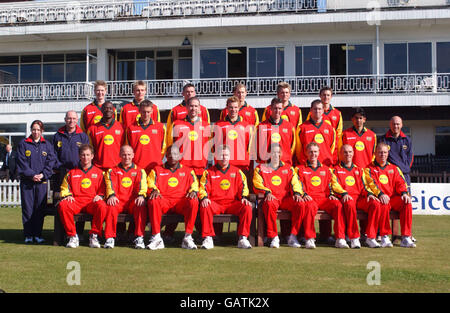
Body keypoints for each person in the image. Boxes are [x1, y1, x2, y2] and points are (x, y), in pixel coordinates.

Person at [198, 145, 253, 249]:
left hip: (232, 204)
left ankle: (243, 238)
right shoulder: (208, 172)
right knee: (205, 206)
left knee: (247, 207)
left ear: (229, 156)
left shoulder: (237, 172)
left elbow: (243, 187)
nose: (224, 157)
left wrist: (244, 197)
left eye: (226, 155)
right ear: (216, 156)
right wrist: (204, 198)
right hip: (216, 204)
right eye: (221, 155)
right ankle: (208, 238)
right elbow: (203, 188)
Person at [295, 142, 349, 249]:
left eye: (315, 152)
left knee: (338, 205)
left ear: (319, 153)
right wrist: (303, 194)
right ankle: (309, 238)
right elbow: (297, 184)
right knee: (309, 206)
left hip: (324, 199)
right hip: (309, 198)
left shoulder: (327, 169)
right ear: (306, 153)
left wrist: (333, 194)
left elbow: (333, 183)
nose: (313, 154)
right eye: (310, 152)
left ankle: (340, 238)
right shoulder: (299, 169)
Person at [253, 144, 306, 248]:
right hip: (272, 198)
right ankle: (273, 237)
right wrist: (267, 192)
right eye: (273, 152)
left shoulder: (289, 169)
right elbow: (257, 184)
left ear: (281, 154)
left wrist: (297, 193)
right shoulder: (260, 168)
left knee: (300, 204)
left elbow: (295, 183)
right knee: (269, 203)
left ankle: (293, 236)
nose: (275, 154)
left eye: (278, 152)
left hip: (286, 199)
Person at [146, 145, 199, 250]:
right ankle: (156, 237)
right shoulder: (157, 170)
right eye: (170, 154)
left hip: (180, 202)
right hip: (164, 201)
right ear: (166, 156)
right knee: (153, 200)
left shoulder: (188, 171)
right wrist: (154, 190)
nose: (172, 156)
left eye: (175, 154)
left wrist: (193, 191)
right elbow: (149, 182)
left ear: (179, 156)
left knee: (193, 200)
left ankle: (187, 237)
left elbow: (195, 184)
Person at [363, 143, 415, 248]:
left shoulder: (394, 168)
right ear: (375, 154)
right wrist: (380, 194)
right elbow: (371, 183)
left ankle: (406, 237)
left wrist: (404, 193)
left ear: (388, 154)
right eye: (380, 152)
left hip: (392, 198)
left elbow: (401, 182)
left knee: (406, 203)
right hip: (379, 198)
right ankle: (384, 236)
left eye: (385, 152)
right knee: (383, 203)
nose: (383, 155)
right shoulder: (369, 169)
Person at [332, 145, 383, 249]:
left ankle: (371, 237)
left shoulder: (359, 170)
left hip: (359, 199)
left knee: (376, 203)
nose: (348, 154)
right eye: (345, 152)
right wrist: (344, 194)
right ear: (341, 154)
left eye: (350, 152)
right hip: (345, 198)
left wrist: (369, 194)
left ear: (353, 153)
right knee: (349, 203)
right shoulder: (335, 170)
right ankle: (354, 237)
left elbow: (365, 186)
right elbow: (335, 185)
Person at [58, 144, 108, 248]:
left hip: (91, 201)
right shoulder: (72, 172)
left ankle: (94, 236)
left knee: (102, 206)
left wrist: (100, 195)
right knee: (63, 205)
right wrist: (67, 195)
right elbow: (64, 187)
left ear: (92, 156)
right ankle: (72, 236)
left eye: (88, 155)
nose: (85, 157)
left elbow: (103, 188)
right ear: (79, 156)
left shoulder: (99, 173)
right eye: (83, 155)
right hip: (76, 201)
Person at [16, 120, 56, 243]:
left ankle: (38, 235)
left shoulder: (47, 145)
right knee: (28, 209)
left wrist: (43, 175)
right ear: (31, 130)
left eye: (38, 129)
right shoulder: (23, 144)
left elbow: (51, 162)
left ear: (42, 131)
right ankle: (28, 235)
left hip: (42, 183)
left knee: (39, 209)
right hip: (27, 183)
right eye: (34, 129)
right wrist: (31, 175)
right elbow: (21, 162)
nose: (36, 132)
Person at [103, 145, 148, 249]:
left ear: (133, 155)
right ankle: (110, 238)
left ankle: (139, 237)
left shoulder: (140, 171)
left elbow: (142, 186)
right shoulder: (112, 171)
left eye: (128, 154)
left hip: (132, 202)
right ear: (119, 155)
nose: (126, 157)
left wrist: (141, 195)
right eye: (123, 154)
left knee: (141, 205)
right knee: (110, 205)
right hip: (118, 201)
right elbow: (110, 185)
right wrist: (111, 195)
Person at [166, 96, 211, 177]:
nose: (193, 108)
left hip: (200, 168)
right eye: (191, 106)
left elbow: (211, 146)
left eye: (196, 106)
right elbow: (169, 145)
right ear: (186, 107)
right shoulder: (176, 124)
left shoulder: (206, 126)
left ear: (199, 108)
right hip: (182, 168)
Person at [213, 96, 253, 173]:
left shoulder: (246, 126)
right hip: (224, 166)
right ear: (227, 108)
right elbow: (214, 147)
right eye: (231, 107)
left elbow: (249, 147)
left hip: (242, 165)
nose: (233, 110)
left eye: (235, 107)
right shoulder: (218, 125)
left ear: (239, 108)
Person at [126, 100, 166, 173]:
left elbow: (163, 146)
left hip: (155, 166)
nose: (146, 114)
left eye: (148, 112)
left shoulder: (160, 127)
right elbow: (128, 147)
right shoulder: (131, 128)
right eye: (144, 112)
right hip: (137, 167)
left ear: (152, 111)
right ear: (139, 111)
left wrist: (157, 159)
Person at [53, 111, 90, 189]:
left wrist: (80, 166)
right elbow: (53, 154)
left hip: (78, 171)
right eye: (69, 118)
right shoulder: (57, 136)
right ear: (65, 119)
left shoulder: (83, 136)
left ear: (77, 120)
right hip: (61, 172)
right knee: (61, 197)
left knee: (77, 196)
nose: (71, 121)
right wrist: (59, 166)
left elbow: (86, 154)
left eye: (74, 118)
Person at [255, 97, 296, 166]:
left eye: (279, 108)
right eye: (275, 108)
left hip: (284, 164)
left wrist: (285, 158)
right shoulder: (261, 126)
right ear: (271, 109)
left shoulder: (289, 127)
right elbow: (256, 146)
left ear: (282, 109)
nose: (277, 111)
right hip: (266, 165)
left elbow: (292, 146)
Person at [296, 99, 336, 167]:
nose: (317, 111)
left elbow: (332, 148)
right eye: (315, 109)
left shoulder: (330, 128)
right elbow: (298, 150)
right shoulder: (302, 128)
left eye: (319, 109)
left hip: (325, 166)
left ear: (323, 110)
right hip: (308, 166)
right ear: (311, 110)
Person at [87, 101, 125, 171]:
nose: (108, 110)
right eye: (105, 108)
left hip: (117, 167)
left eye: (110, 108)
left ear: (113, 110)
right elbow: (90, 150)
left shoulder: (122, 127)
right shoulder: (92, 129)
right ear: (101, 110)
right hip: (98, 168)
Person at [379, 116, 414, 192]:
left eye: (398, 124)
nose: (395, 126)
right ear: (390, 125)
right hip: (389, 175)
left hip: (404, 175)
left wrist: (405, 168)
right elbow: (379, 157)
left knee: (405, 200)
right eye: (393, 124)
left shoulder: (407, 140)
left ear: (401, 125)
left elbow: (410, 157)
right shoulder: (383, 140)